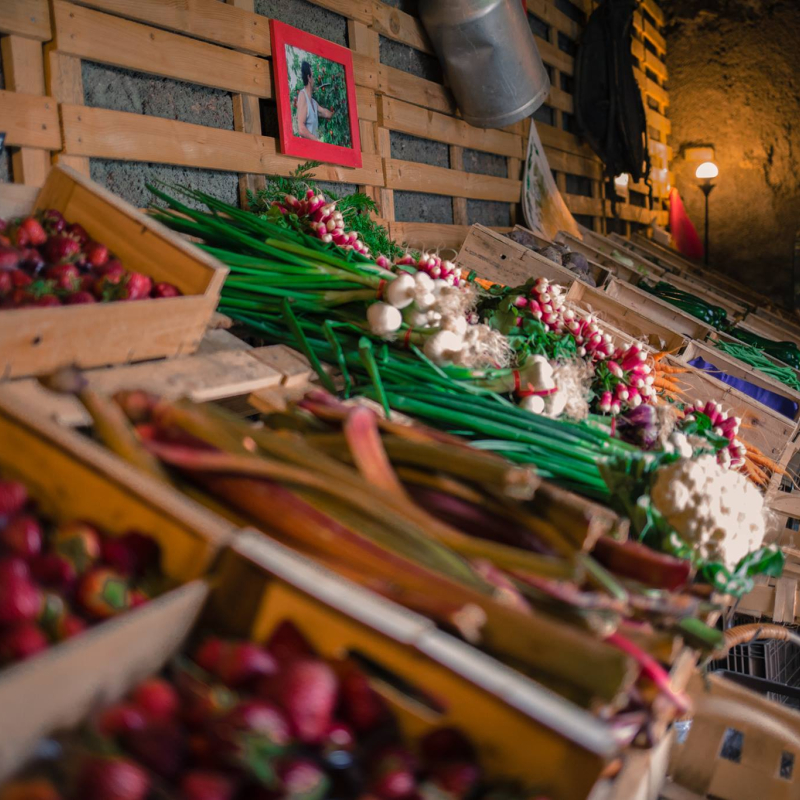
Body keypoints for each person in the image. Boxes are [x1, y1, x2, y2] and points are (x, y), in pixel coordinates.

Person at [296, 60, 334, 141]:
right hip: (305, 149)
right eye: (312, 76)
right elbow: (301, 128)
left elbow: (325, 113)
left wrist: (334, 113)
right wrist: (317, 141)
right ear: (309, 78)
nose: (314, 80)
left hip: (313, 149)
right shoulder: (302, 96)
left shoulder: (313, 102)